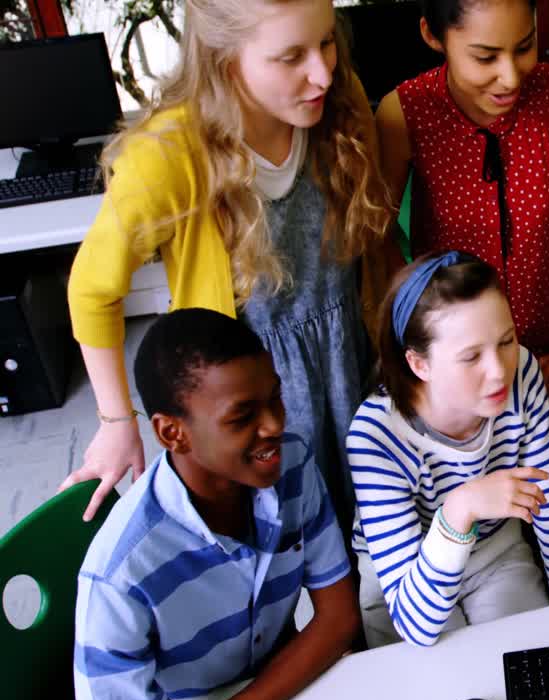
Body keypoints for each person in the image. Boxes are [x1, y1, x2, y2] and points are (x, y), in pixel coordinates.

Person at [62, 0, 393, 539]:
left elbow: (373, 251)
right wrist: (117, 421)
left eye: (327, 41)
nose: (323, 72)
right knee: (271, 556)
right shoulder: (169, 155)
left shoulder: (338, 105)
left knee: (364, 538)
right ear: (224, 59)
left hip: (347, 366)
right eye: (291, 56)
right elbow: (92, 290)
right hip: (252, 402)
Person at [375, 0, 549, 590]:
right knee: (483, 557)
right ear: (434, 34)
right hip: (457, 388)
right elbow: (379, 240)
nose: (510, 76)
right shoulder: (404, 112)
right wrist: (422, 363)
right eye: (484, 56)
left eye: (525, 46)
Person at [74, 308, 359, 700]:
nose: (275, 424)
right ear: (173, 433)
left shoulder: (292, 465)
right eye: (243, 416)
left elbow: (338, 618)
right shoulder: (119, 574)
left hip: (278, 685)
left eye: (275, 397)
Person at [347, 252, 549, 648]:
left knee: (527, 662)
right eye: (471, 357)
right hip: (409, 581)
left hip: (496, 551)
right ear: (418, 364)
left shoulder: (522, 371)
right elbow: (415, 625)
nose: (499, 370)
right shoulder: (376, 436)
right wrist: (461, 509)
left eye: (507, 341)